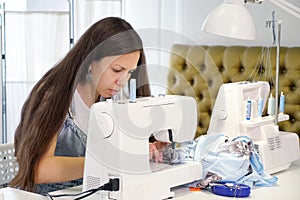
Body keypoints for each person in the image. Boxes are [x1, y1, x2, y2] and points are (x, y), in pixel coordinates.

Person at [10, 17, 163, 194]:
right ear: (91, 62)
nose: (122, 81)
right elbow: (39, 170)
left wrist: (147, 148)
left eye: (129, 72)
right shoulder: (54, 96)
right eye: (116, 70)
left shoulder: (116, 98)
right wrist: (109, 161)